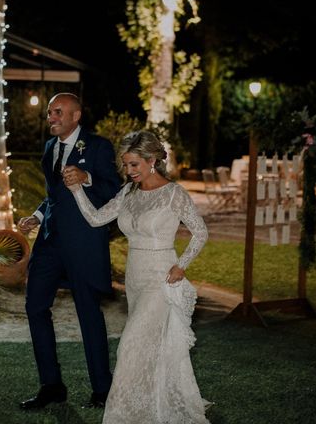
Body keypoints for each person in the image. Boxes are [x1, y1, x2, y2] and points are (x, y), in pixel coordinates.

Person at [64, 130, 211, 423]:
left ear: (152, 160)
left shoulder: (174, 193)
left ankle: (120, 415)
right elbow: (95, 219)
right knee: (146, 347)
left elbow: (200, 232)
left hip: (161, 277)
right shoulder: (128, 193)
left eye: (134, 165)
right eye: (125, 165)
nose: (128, 171)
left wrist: (182, 265)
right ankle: (150, 406)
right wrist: (77, 190)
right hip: (135, 276)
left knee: (130, 343)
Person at [17, 93, 122, 410]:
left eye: (57, 112)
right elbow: (53, 195)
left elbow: (115, 192)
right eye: (49, 112)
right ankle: (51, 386)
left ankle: (103, 390)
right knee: (35, 307)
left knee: (88, 314)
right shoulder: (50, 148)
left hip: (84, 244)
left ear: (76, 116)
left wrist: (87, 177)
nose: (51, 117)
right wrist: (35, 217)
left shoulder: (99, 147)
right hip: (49, 244)